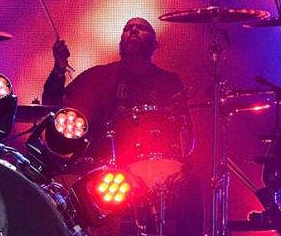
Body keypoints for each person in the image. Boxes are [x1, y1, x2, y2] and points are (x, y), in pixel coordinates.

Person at [42, 17, 187, 148]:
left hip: (155, 164)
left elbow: (184, 132)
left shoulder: (169, 82)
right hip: (105, 165)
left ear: (155, 44)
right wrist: (58, 70)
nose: (134, 30)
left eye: (141, 28)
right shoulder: (99, 76)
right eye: (127, 29)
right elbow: (53, 105)